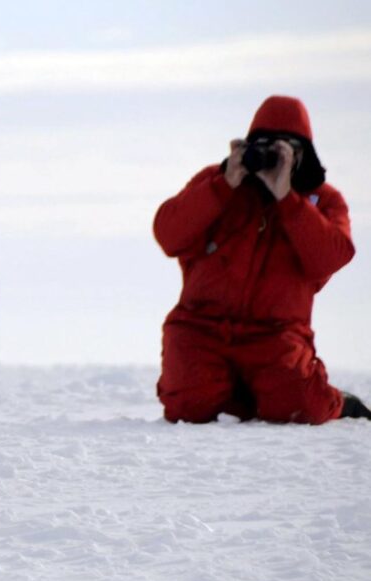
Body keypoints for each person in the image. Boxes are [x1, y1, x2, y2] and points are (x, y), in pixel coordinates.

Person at [154, 95, 370, 424]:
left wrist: (287, 198)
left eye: (283, 150)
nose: (271, 158)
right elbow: (169, 235)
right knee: (189, 407)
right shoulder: (217, 182)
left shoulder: (323, 201)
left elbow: (330, 258)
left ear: (302, 154)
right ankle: (243, 392)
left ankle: (337, 403)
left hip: (276, 334)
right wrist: (224, 184)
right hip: (200, 326)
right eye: (264, 146)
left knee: (296, 409)